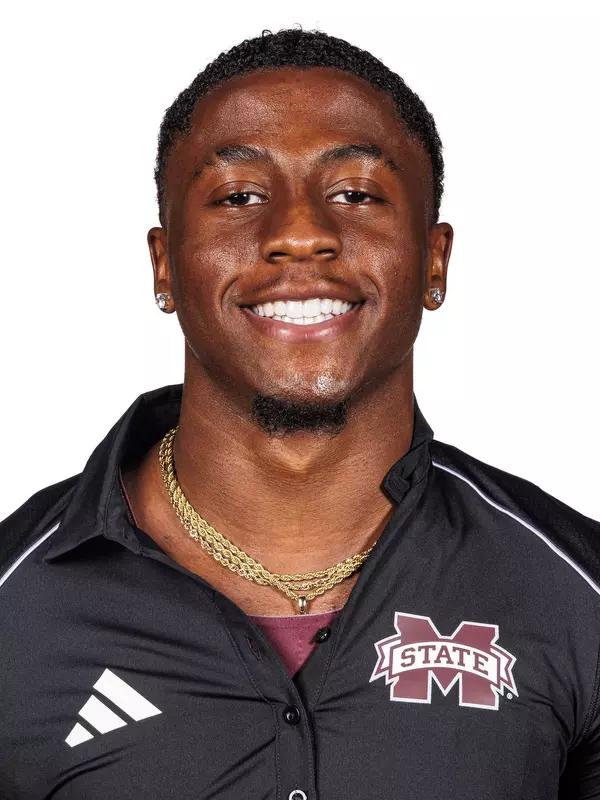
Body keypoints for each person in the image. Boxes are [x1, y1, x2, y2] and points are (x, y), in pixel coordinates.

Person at [1, 26, 599, 800]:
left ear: (434, 260)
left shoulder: (576, 595)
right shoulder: (16, 609)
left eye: (355, 193)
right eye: (239, 196)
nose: (300, 233)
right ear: (164, 265)